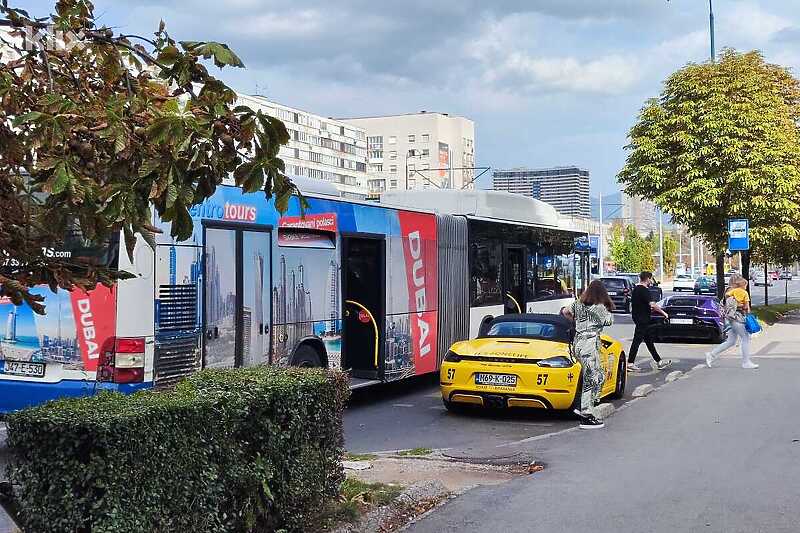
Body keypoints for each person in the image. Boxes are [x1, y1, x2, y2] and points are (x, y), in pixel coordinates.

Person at [561, 279, 614, 430]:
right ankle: (586, 412)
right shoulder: (599, 308)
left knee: (595, 375)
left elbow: (565, 312)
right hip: (589, 344)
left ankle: (586, 406)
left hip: (578, 343)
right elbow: (609, 321)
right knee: (593, 378)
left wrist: (577, 322)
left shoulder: (577, 303)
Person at [706, 274, 757, 369]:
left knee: (731, 341)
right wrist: (744, 307)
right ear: (737, 283)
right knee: (745, 337)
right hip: (736, 317)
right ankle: (746, 362)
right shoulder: (736, 292)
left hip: (730, 319)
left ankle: (711, 355)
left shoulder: (728, 291)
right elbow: (733, 306)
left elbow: (727, 305)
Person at [628, 271, 672, 372]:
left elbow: (637, 304)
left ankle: (659, 361)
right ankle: (630, 363)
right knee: (636, 341)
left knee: (648, 341)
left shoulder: (636, 289)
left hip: (638, 317)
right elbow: (652, 304)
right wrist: (663, 313)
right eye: (651, 279)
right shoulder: (644, 290)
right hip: (642, 319)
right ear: (647, 279)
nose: (651, 281)